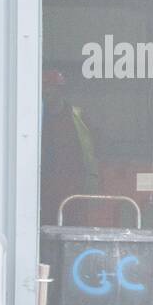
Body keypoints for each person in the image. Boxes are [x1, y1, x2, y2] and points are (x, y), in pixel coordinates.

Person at [40, 69, 99, 225]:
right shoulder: (35, 116)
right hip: (42, 189)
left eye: (48, 86)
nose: (44, 91)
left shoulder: (76, 116)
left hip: (72, 189)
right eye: (42, 87)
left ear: (60, 89)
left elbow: (92, 150)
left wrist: (91, 182)